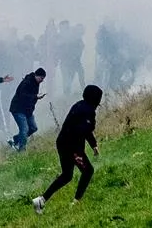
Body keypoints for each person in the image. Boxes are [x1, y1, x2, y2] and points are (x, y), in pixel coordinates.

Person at [32, 85, 103, 214]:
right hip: (71, 146)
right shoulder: (88, 111)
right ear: (96, 100)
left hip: (62, 142)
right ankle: (76, 202)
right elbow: (84, 130)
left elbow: (83, 129)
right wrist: (84, 148)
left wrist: (93, 145)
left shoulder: (79, 105)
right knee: (88, 171)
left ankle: (41, 200)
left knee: (67, 175)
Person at [8, 68, 47, 152]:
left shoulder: (36, 83)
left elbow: (32, 98)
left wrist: (36, 98)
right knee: (24, 129)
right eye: (42, 78)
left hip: (27, 111)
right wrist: (36, 97)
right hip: (18, 109)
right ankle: (21, 150)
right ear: (37, 75)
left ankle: (14, 140)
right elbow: (23, 96)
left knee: (33, 128)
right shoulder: (27, 82)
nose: (42, 80)